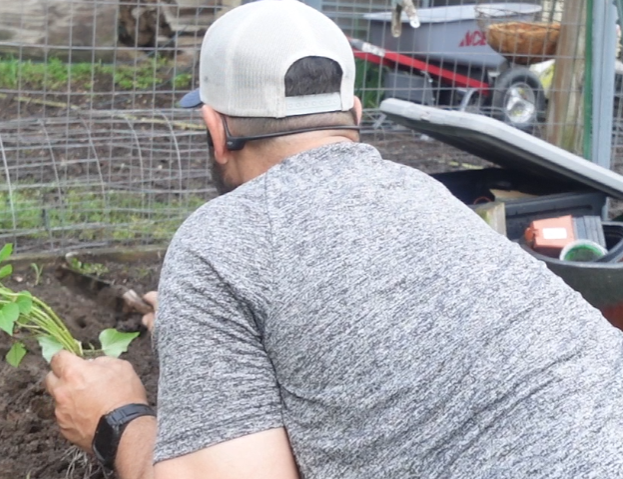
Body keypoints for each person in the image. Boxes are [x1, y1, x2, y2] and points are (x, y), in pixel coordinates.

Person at [44, 1, 623, 478]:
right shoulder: (429, 198)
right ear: (354, 113)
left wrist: (115, 418)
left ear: (216, 129)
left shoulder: (220, 243)